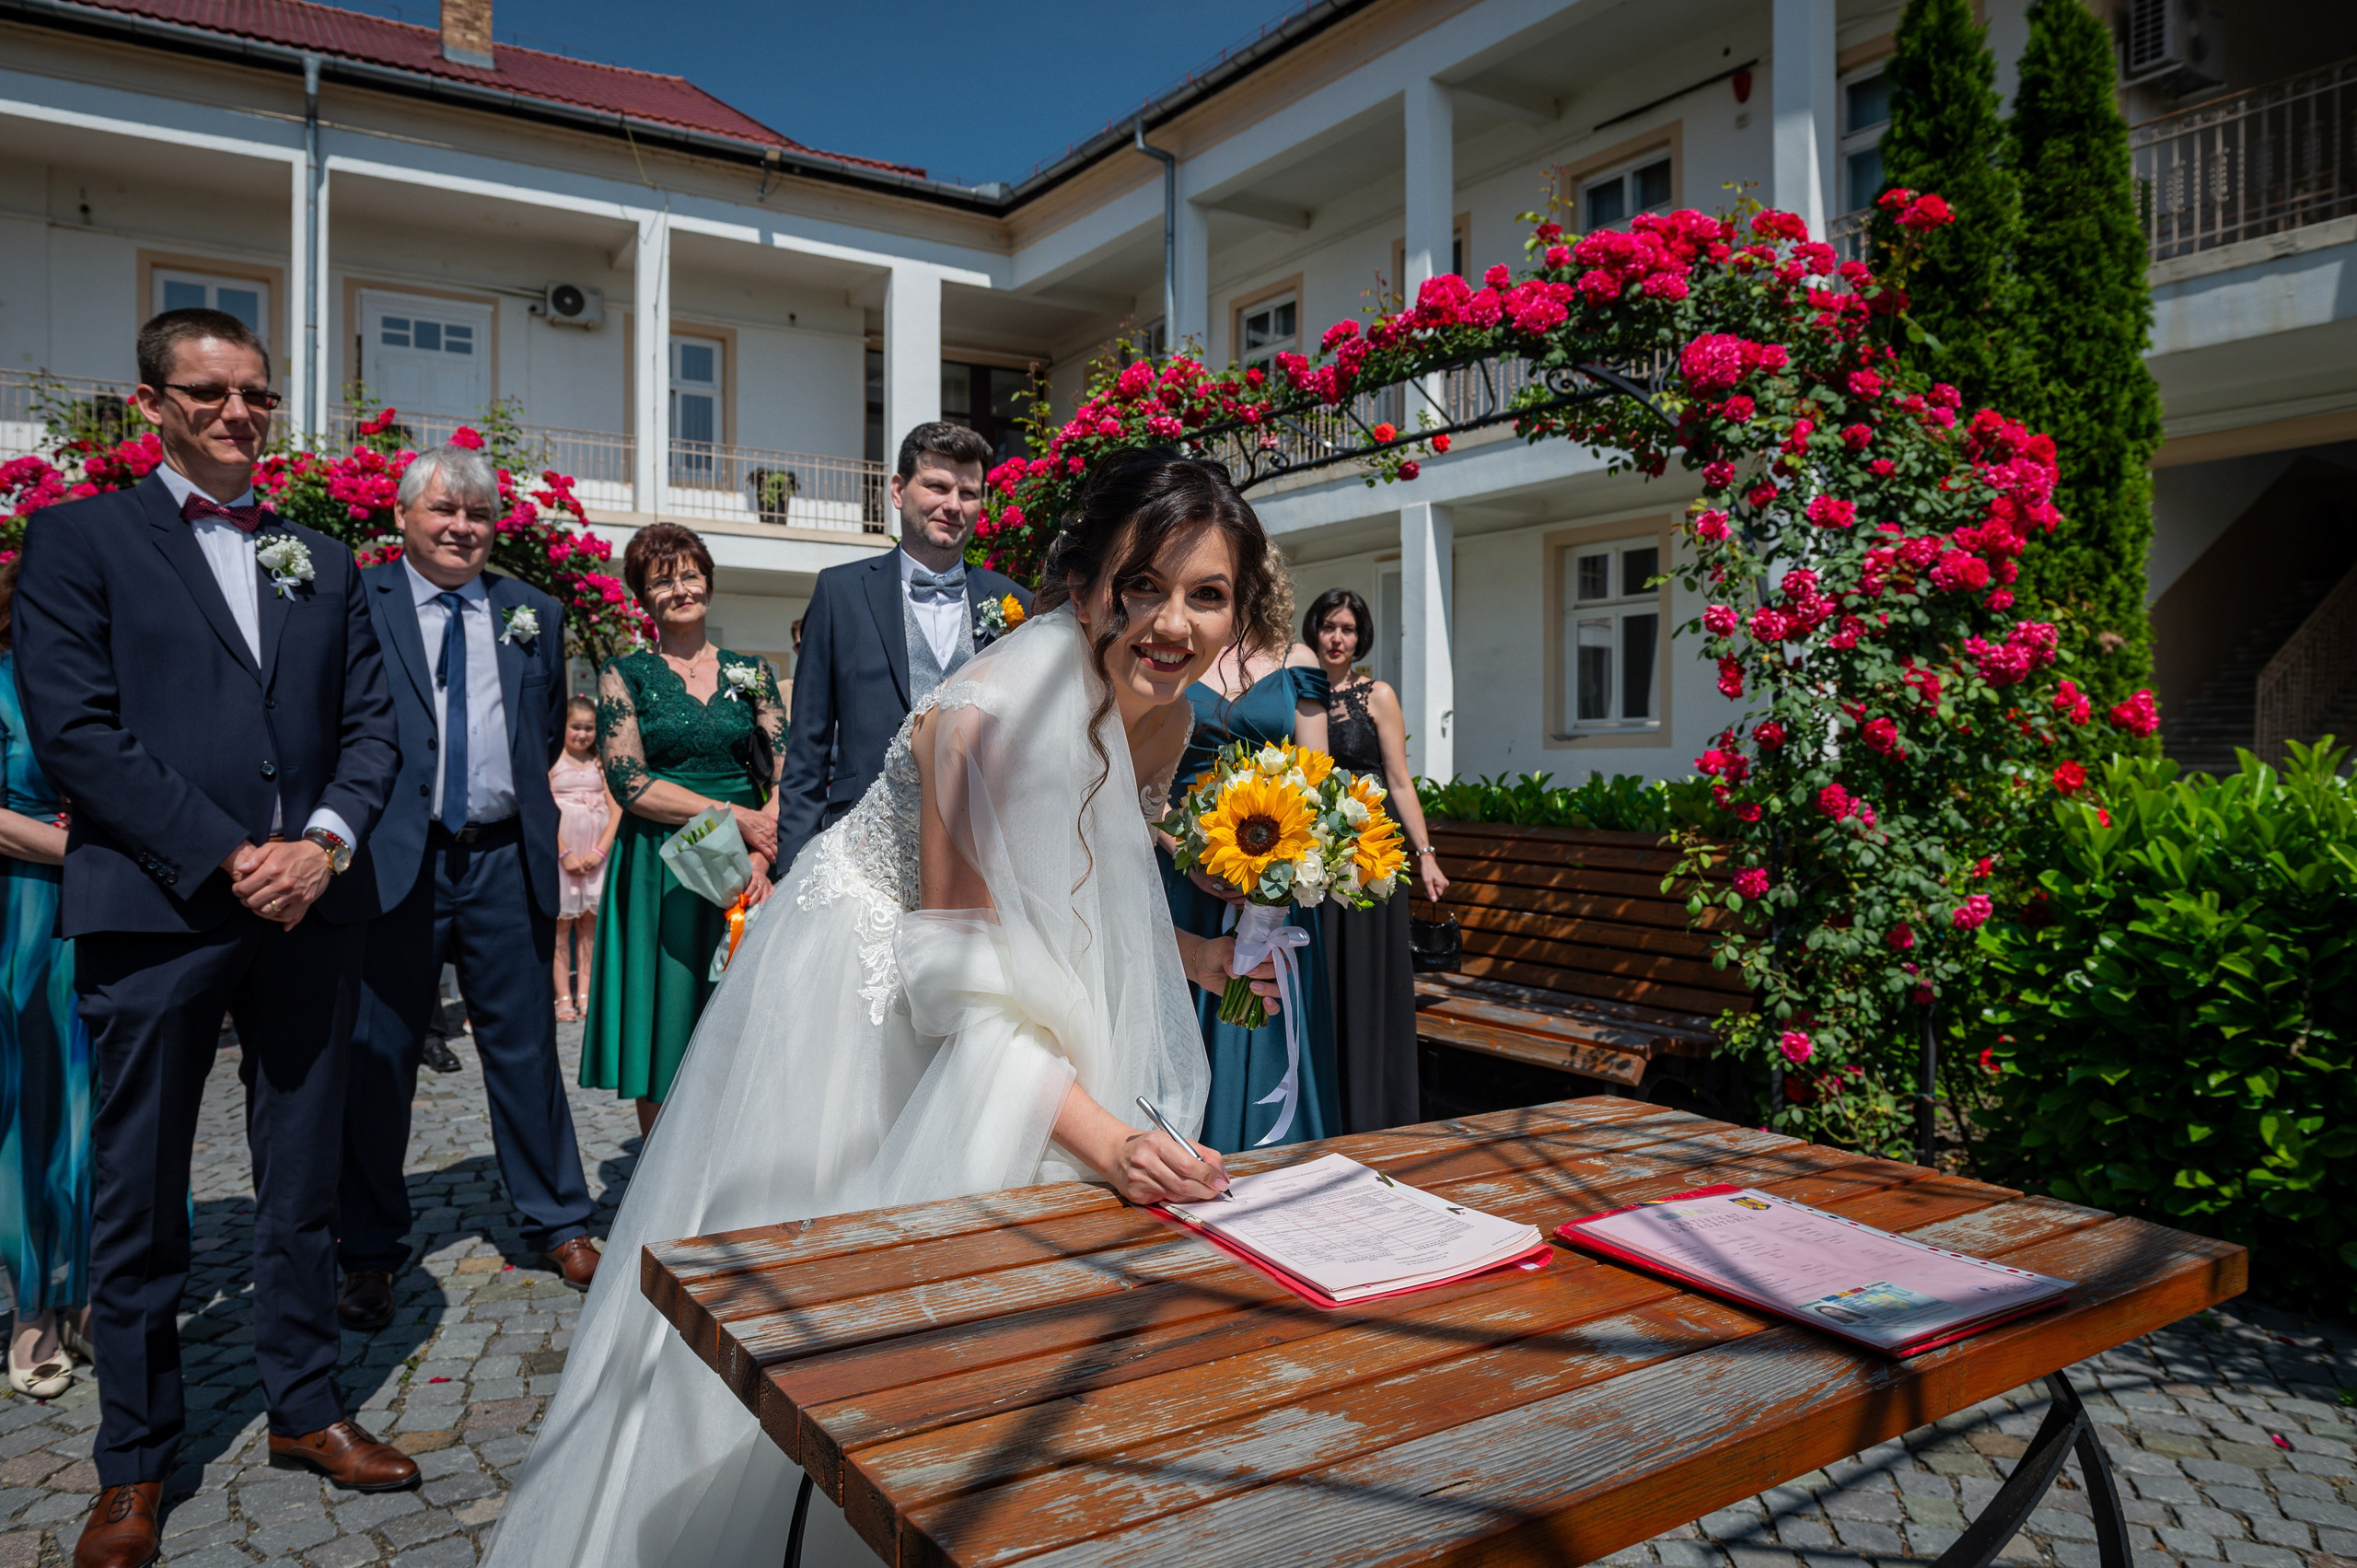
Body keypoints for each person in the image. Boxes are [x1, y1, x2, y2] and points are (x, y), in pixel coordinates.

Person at [482, 447, 1287, 1568]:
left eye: (1207, 595)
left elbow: (1083, 866)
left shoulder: (1167, 712)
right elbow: (955, 983)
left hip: (988, 970)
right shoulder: (982, 715)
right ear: (1084, 576)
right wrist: (1107, 1134)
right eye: (1140, 583)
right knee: (840, 1329)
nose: (1170, 622)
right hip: (864, 985)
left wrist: (1199, 955)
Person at [13, 307, 411, 1568]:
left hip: (311, 908)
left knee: (302, 1180)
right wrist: (228, 852)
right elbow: (77, 731)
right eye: (211, 393)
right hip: (159, 906)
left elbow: (376, 726)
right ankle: (134, 1460)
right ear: (152, 406)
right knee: (138, 1192)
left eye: (257, 394)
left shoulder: (325, 557)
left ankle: (305, 1405)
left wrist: (325, 844)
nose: (240, 414)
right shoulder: (79, 540)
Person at [334, 443, 602, 1334]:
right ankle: (367, 1248)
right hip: (393, 861)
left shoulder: (534, 612)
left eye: (479, 514)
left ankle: (559, 1219)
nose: (462, 527)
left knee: (524, 1051)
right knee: (379, 1059)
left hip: (499, 858)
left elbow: (537, 735)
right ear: (403, 516)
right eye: (444, 511)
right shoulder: (359, 598)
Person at [578, 524, 785, 1137]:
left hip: (751, 863)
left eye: (690, 574)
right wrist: (730, 816)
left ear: (710, 582)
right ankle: (662, 1184)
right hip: (661, 865)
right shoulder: (624, 674)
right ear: (643, 597)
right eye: (661, 580)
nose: (679, 588)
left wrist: (761, 853)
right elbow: (629, 781)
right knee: (664, 1025)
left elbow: (784, 767)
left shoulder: (753, 670)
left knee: (748, 1025)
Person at [775, 423, 1031, 871]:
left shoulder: (1015, 601)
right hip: (859, 853)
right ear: (898, 490)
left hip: (980, 857)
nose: (953, 505)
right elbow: (807, 752)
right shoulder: (840, 592)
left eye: (968, 493)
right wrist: (794, 871)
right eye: (936, 486)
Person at [1156, 575, 1340, 1153]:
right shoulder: (1174, 653)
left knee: (1268, 1015)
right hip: (1187, 877)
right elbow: (1141, 784)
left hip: (1276, 884)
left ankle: (1273, 1161)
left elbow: (1318, 781)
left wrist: (1288, 865)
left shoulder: (1297, 659)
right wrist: (1185, 854)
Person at [1303, 587, 1449, 1132]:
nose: (1337, 637)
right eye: (1328, 626)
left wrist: (1426, 854)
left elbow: (1400, 779)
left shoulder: (1377, 695)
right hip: (1320, 855)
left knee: (1371, 979)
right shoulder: (1301, 691)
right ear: (1313, 631)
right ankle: (1328, 1106)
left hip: (1374, 853)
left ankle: (1377, 1110)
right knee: (1328, 975)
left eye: (1348, 628)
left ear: (1361, 637)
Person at [0, 559, 94, 1400]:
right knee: (33, 1113)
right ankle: (34, 1310)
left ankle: (98, 1294)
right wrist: (91, 855)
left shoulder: (112, 677)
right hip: (25, 926)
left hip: (117, 920)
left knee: (114, 1111)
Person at [551, 695, 617, 1020]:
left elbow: (616, 811)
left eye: (589, 728)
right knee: (560, 928)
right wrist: (564, 853)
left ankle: (585, 992)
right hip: (563, 858)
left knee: (588, 928)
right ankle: (562, 995)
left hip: (594, 857)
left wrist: (598, 852)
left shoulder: (599, 763)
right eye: (575, 727)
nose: (582, 734)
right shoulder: (553, 761)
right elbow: (543, 811)